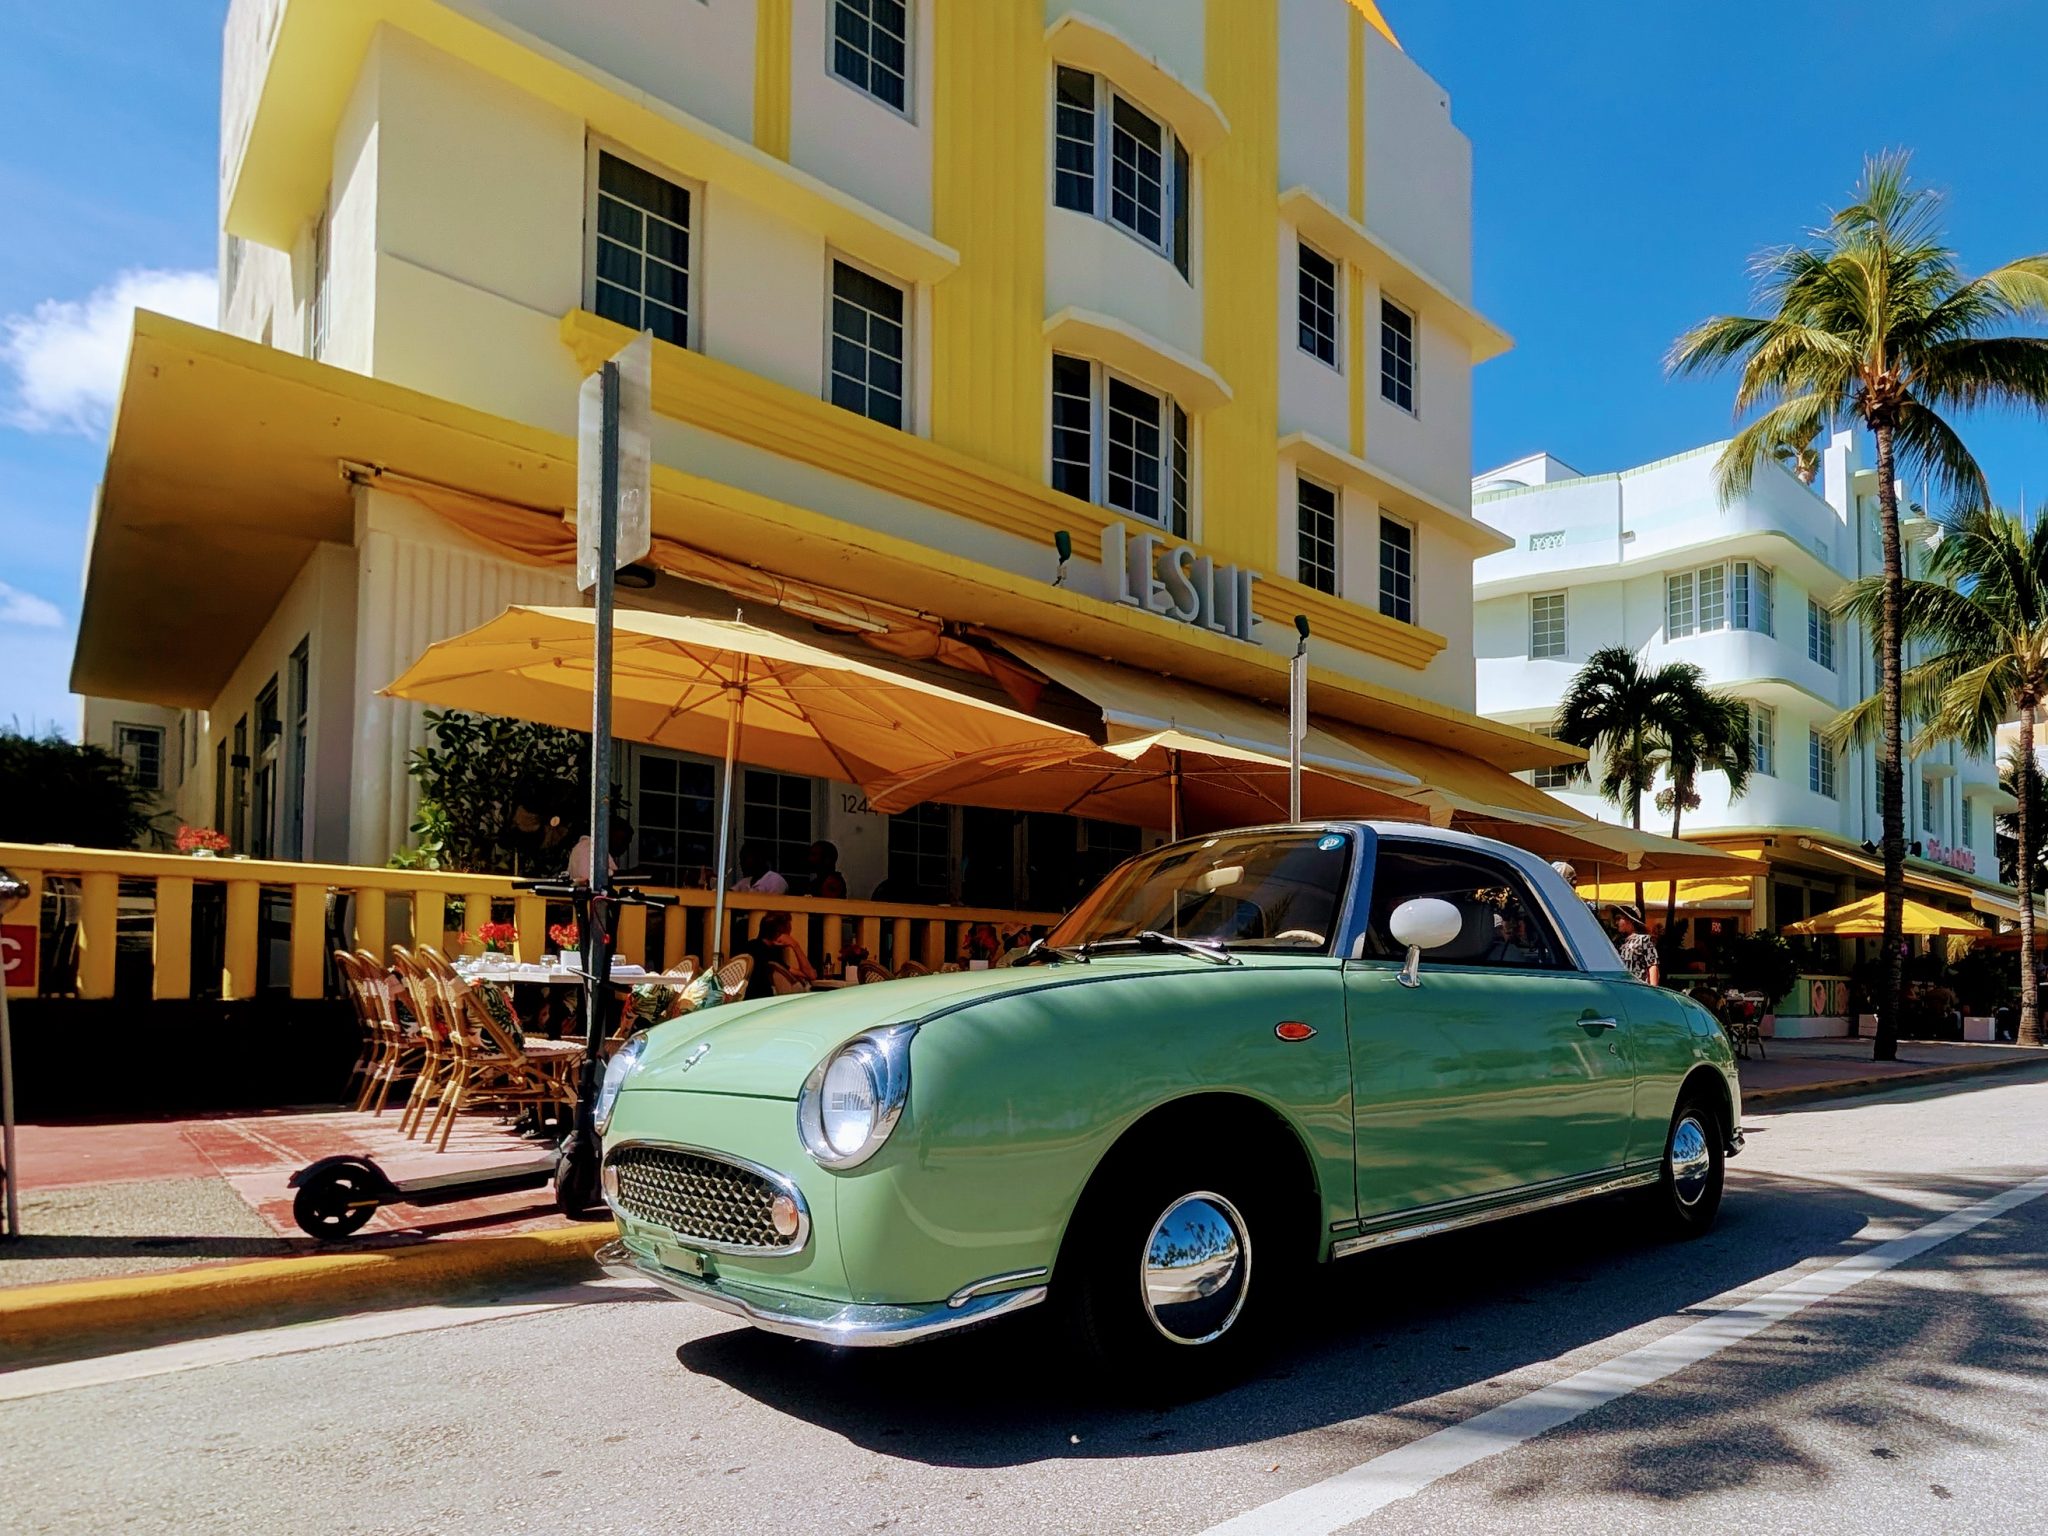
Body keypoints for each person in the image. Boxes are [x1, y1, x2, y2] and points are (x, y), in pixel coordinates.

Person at [743, 911, 815, 999]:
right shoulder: (765, 955)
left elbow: (808, 974)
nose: (789, 937)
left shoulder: (753, 947)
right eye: (788, 934)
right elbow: (811, 975)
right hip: (763, 1001)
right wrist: (795, 945)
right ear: (779, 934)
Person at [1611, 903, 1661, 987]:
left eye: (1619, 919)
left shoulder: (1644, 939)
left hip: (1639, 988)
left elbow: (1652, 965)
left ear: (1630, 920)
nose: (1616, 923)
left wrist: (1654, 989)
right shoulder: (1618, 942)